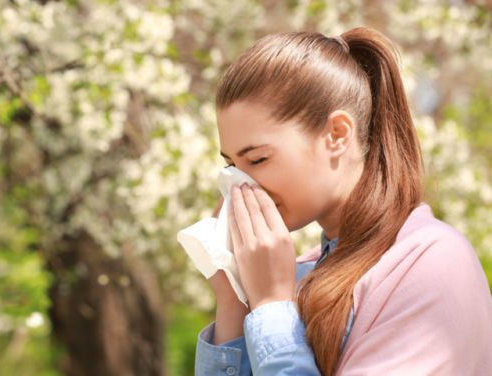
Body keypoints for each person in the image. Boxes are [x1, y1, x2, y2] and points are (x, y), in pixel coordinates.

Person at [193, 26, 492, 375]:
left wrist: (272, 305)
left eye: (257, 160)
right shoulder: (300, 275)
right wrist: (235, 302)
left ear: (336, 135)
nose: (239, 185)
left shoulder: (430, 263)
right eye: (231, 165)